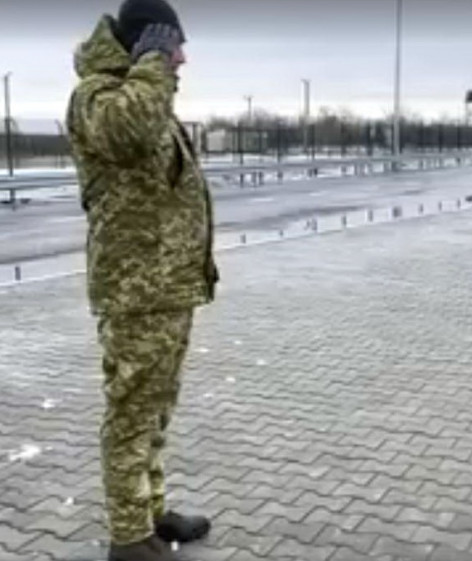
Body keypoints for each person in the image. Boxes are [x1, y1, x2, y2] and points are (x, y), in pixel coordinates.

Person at [65, 1, 219, 559]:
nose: (180, 57)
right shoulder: (96, 96)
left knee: (154, 412)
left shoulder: (144, 93)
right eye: (170, 43)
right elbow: (127, 133)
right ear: (143, 43)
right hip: (136, 293)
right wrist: (152, 60)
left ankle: (151, 510)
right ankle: (129, 536)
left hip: (167, 288)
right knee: (131, 412)